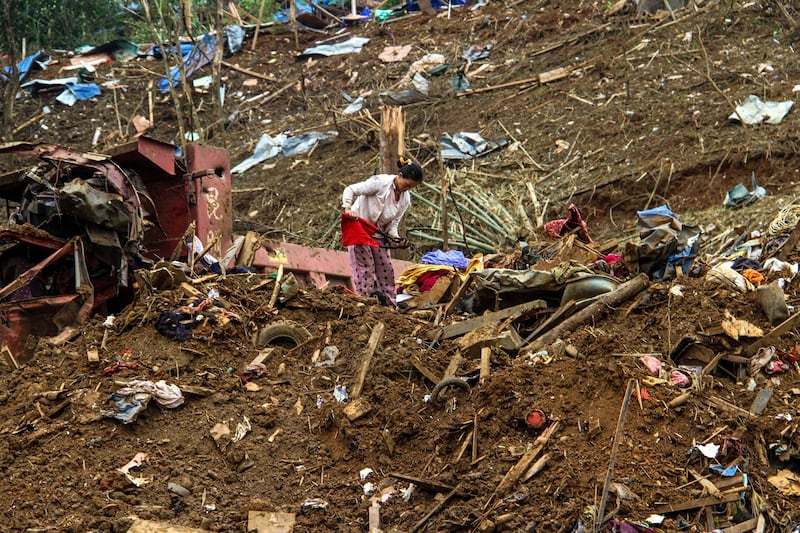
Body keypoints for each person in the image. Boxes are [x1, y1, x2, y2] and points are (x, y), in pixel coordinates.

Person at [342, 160, 424, 305]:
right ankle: (363, 302)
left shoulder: (405, 199)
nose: (407, 189)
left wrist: (396, 239)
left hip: (379, 233)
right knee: (365, 268)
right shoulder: (379, 183)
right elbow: (350, 190)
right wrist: (348, 209)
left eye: (411, 187)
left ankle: (390, 305)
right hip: (360, 228)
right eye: (406, 185)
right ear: (400, 175)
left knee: (386, 269)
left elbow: (394, 225)